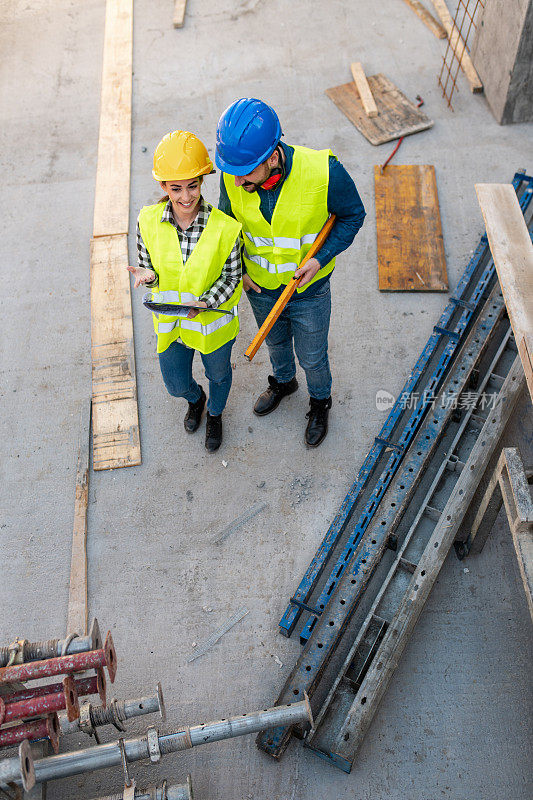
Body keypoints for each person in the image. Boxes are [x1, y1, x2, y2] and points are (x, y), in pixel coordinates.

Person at [216, 98, 366, 448]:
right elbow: (227, 227)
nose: (237, 182)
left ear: (272, 157)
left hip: (309, 292)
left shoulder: (323, 172)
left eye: (246, 174)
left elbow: (353, 215)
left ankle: (320, 401)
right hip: (261, 289)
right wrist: (238, 271)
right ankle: (284, 382)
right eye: (234, 173)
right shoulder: (234, 172)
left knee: (312, 357)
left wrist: (322, 257)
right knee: (276, 343)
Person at [127, 131, 242, 452]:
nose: (186, 196)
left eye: (193, 185)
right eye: (176, 188)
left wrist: (206, 301)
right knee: (175, 384)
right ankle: (196, 399)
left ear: (203, 181)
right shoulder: (147, 221)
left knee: (218, 376)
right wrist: (148, 276)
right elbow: (150, 267)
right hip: (172, 324)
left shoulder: (226, 228)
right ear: (163, 187)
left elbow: (233, 277)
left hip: (211, 323)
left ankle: (215, 414)